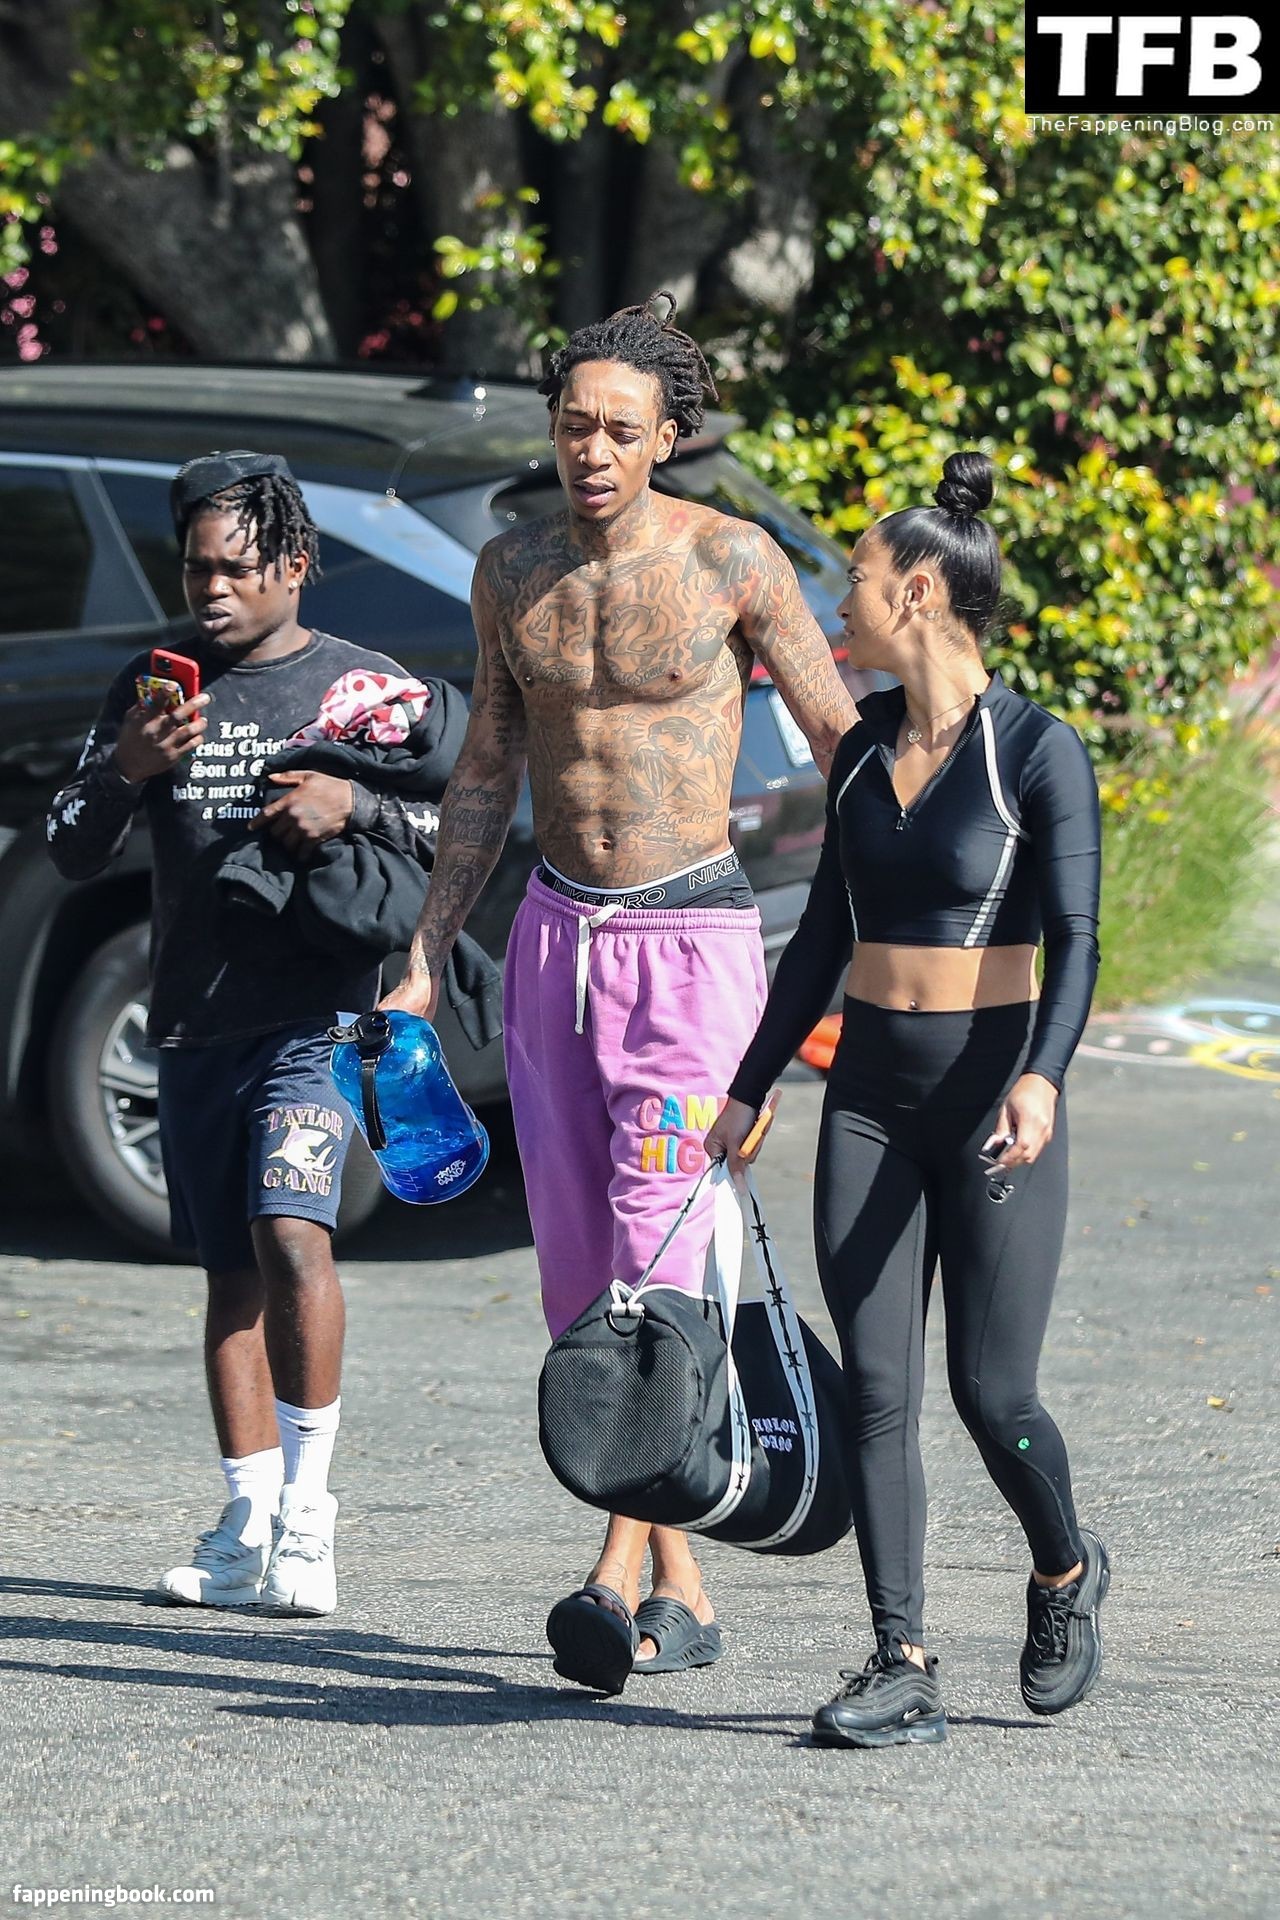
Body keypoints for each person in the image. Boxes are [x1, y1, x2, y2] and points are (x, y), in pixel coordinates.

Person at [382, 293, 857, 1693]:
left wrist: (918, 917)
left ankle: (607, 1574)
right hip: (553, 940)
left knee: (659, 1247)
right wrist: (427, 949)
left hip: (691, 940)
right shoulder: (511, 570)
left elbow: (840, 738)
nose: (590, 449)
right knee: (581, 1264)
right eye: (572, 424)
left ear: (665, 438)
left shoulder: (729, 560)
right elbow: (485, 766)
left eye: (618, 430)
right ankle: (683, 1586)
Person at [708, 451, 1110, 1748]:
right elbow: (822, 940)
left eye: (859, 583)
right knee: (877, 1389)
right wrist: (748, 1086)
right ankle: (902, 1657)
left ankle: (1064, 1566)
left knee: (993, 1396)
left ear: (920, 594)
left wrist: (1041, 1076)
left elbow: (1077, 939)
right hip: (870, 1098)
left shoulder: (1035, 752)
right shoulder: (859, 753)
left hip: (992, 1102)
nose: (841, 606)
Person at [46, 452, 462, 1617]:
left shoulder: (359, 686)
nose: (213, 589)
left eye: (237, 568)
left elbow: (470, 819)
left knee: (290, 1231)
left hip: (315, 1017)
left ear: (294, 564)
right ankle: (246, 1524)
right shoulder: (151, 686)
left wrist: (351, 802)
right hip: (192, 1025)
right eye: (196, 569)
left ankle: (311, 1520)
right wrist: (129, 765)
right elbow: (70, 843)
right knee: (228, 1275)